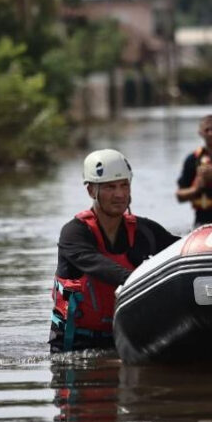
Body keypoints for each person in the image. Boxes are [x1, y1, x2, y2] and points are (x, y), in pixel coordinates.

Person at [51, 149, 179, 353]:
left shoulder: (144, 231)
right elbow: (101, 266)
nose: (119, 194)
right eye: (110, 187)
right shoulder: (74, 233)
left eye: (124, 185)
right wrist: (145, 281)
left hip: (124, 339)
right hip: (75, 345)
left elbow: (182, 249)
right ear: (91, 191)